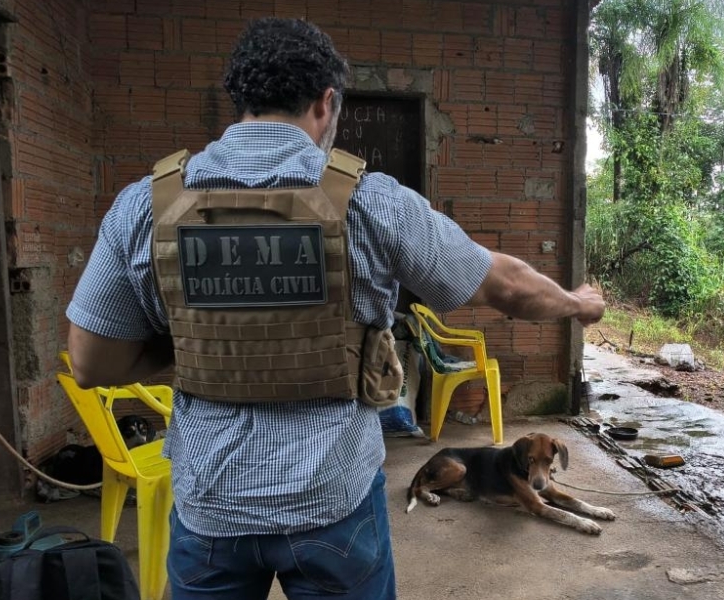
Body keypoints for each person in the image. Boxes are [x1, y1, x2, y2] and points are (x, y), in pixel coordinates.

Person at [66, 17, 605, 600]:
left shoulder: (144, 206)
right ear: (327, 102)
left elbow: (92, 363)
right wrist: (576, 303)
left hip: (210, 505)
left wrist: (204, 345)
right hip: (333, 501)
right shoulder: (371, 200)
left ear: (240, 99)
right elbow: (502, 284)